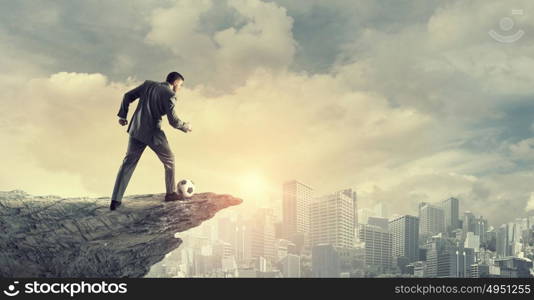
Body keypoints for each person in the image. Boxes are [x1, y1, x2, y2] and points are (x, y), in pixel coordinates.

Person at [109, 72, 192, 211]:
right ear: (176, 83)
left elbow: (127, 96)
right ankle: (170, 193)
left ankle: (115, 201)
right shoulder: (170, 95)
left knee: (128, 163)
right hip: (153, 133)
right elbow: (173, 122)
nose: (180, 88)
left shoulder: (148, 84)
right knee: (170, 160)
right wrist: (186, 126)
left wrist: (123, 115)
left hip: (136, 129)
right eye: (181, 85)